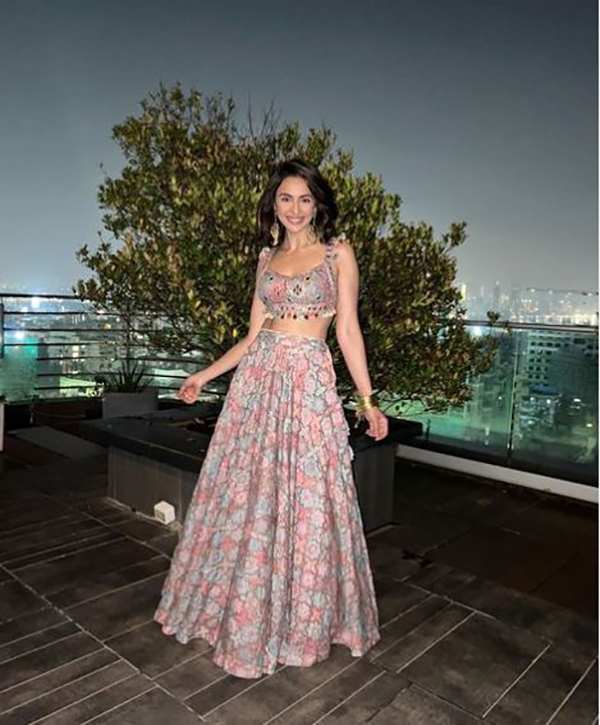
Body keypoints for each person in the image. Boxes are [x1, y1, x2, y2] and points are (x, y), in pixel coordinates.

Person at [154, 158, 389, 679]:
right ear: (274, 204)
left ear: (318, 204)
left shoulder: (338, 254)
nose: (295, 208)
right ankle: (243, 615)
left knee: (309, 499)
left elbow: (348, 331)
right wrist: (204, 376)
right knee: (249, 498)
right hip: (256, 389)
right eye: (286, 198)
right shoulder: (266, 258)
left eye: (305, 199)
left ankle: (300, 623)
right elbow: (253, 337)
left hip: (307, 387)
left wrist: (368, 401)